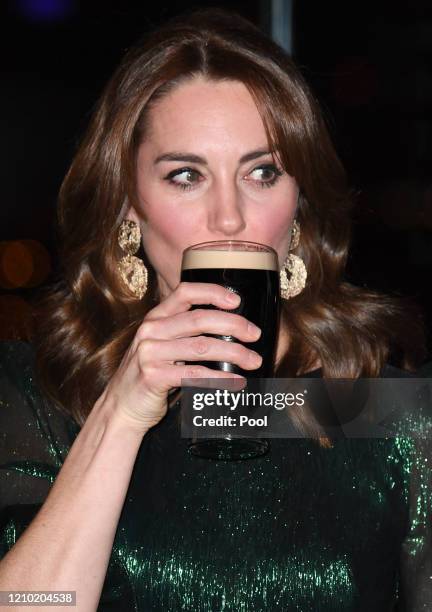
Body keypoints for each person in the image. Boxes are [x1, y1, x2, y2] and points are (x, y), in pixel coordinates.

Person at [0, 8, 431, 611]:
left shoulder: (389, 417)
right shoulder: (43, 396)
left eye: (261, 172)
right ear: (128, 205)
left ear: (299, 204)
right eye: (185, 175)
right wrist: (120, 416)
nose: (229, 217)